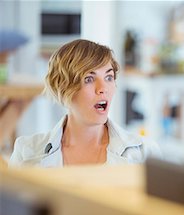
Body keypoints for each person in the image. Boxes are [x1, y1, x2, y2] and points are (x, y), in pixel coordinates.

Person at [9, 39, 160, 167]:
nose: (103, 89)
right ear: (63, 86)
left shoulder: (145, 153)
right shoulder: (26, 151)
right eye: (89, 79)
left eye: (109, 77)